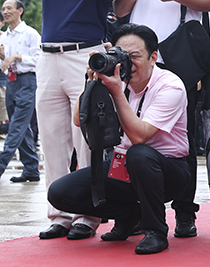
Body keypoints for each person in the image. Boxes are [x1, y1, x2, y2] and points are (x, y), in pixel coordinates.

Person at [8, 0, 120, 240]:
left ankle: (88, 213)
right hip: (47, 58)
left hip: (85, 57)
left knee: (87, 138)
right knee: (52, 138)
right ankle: (59, 212)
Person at [113, 0, 210, 238]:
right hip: (136, 59)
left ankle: (185, 213)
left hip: (180, 61)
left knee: (181, 139)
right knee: (127, 136)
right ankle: (129, 212)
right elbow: (119, 10)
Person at [48, 23, 190, 254]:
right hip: (123, 167)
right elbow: (79, 120)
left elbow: (140, 136)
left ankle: (155, 230)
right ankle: (128, 214)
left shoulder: (170, 85)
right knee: (60, 193)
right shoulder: (117, 79)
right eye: (122, 55)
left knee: (140, 154)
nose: (128, 63)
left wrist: (115, 92)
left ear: (153, 57)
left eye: (135, 56)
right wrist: (92, 81)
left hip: (168, 171)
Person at [0, 0, 41, 181]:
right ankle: (31, 168)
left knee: (16, 125)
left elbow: (40, 59)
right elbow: (4, 64)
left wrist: (17, 56)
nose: (5, 11)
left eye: (9, 8)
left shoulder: (30, 33)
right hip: (11, 81)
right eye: (3, 9)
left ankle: (1, 164)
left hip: (27, 81)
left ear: (20, 10)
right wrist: (4, 57)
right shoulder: (3, 36)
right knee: (22, 127)